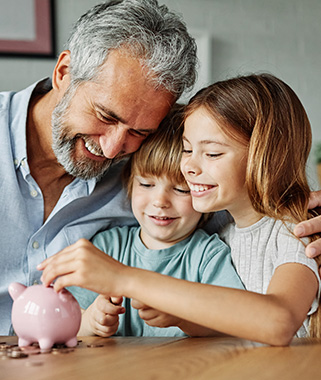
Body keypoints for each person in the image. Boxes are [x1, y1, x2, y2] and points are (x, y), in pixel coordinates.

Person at [39, 74, 321, 346]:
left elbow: (279, 321)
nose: (190, 167)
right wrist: (183, 316)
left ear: (267, 157)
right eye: (187, 149)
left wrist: (124, 278)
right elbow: (229, 324)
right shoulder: (224, 233)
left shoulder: (295, 230)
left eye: (212, 153)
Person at [0, 0, 198, 335]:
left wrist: (302, 216)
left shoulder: (147, 171)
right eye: (106, 116)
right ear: (64, 72)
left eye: (139, 131)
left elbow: (239, 208)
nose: (112, 148)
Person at [66, 105, 244, 337]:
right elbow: (66, 322)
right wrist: (90, 322)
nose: (160, 201)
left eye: (181, 190)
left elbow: (235, 323)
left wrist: (184, 317)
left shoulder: (208, 255)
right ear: (130, 184)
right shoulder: (107, 247)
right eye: (147, 185)